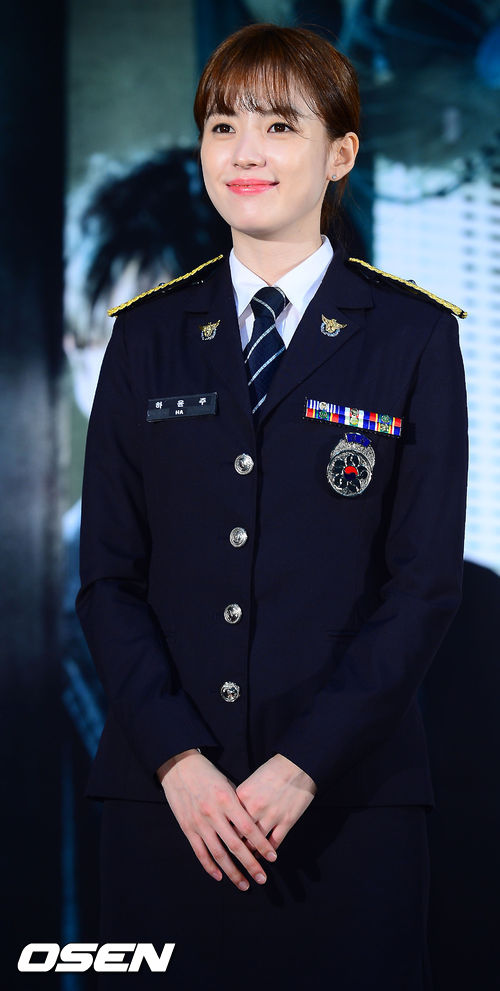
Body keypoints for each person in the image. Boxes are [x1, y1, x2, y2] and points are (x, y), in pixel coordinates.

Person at [76, 22, 468, 989]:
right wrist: (178, 761)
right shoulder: (146, 337)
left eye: (279, 125)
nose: (244, 152)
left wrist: (302, 765)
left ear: (341, 154)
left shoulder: (412, 337)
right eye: (222, 126)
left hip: (350, 812)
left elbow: (422, 587)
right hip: (168, 809)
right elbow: (109, 581)